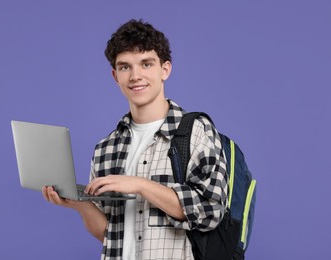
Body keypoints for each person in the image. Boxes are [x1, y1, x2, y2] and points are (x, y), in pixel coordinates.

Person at [42, 19, 228, 260]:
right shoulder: (106, 148)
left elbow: (210, 210)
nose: (135, 76)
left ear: (165, 69)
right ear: (114, 75)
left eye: (146, 64)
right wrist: (79, 204)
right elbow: (110, 234)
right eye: (125, 67)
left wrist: (140, 184)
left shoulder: (196, 132)